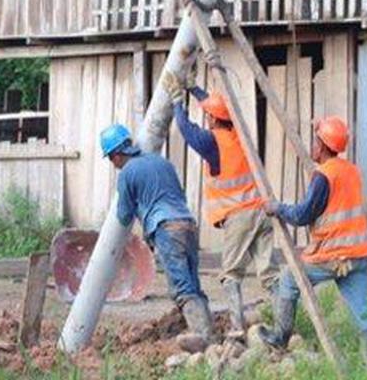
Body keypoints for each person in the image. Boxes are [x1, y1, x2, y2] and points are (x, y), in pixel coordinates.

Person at [163, 72, 279, 339]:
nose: (208, 119)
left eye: (209, 116)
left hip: (240, 216)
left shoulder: (212, 142)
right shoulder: (239, 133)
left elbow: (185, 129)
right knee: (269, 274)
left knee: (231, 274)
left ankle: (237, 327)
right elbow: (218, 107)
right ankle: (283, 324)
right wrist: (194, 89)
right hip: (262, 212)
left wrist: (177, 100)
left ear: (214, 119)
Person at [259, 116, 367, 365]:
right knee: (362, 313)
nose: (312, 145)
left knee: (290, 279)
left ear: (322, 146)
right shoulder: (351, 170)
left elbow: (303, 215)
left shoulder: (324, 176)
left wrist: (277, 208)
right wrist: (321, 128)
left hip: (334, 255)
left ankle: (280, 337)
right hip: (360, 254)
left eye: (315, 141)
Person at [100, 123, 213, 352]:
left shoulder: (127, 173)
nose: (113, 164)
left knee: (182, 287)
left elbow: (123, 215)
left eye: (111, 158)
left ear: (116, 154)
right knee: (192, 283)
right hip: (188, 225)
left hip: (166, 228)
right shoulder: (162, 162)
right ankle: (209, 332)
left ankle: (202, 339)